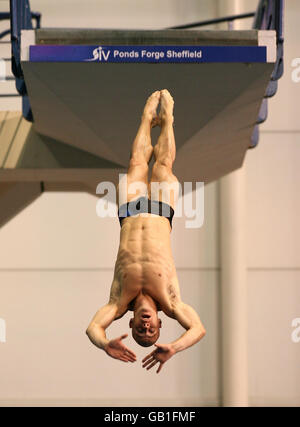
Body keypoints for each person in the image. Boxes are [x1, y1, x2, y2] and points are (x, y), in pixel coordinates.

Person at [86, 89, 206, 373]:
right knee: (164, 164)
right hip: (162, 213)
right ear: (160, 322)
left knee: (136, 164)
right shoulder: (171, 300)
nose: (146, 326)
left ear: (130, 324)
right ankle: (167, 121)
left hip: (129, 214)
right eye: (152, 331)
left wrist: (105, 344)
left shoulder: (117, 302)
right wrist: (174, 347)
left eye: (140, 332)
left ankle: (145, 118)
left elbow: (92, 328)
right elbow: (198, 328)